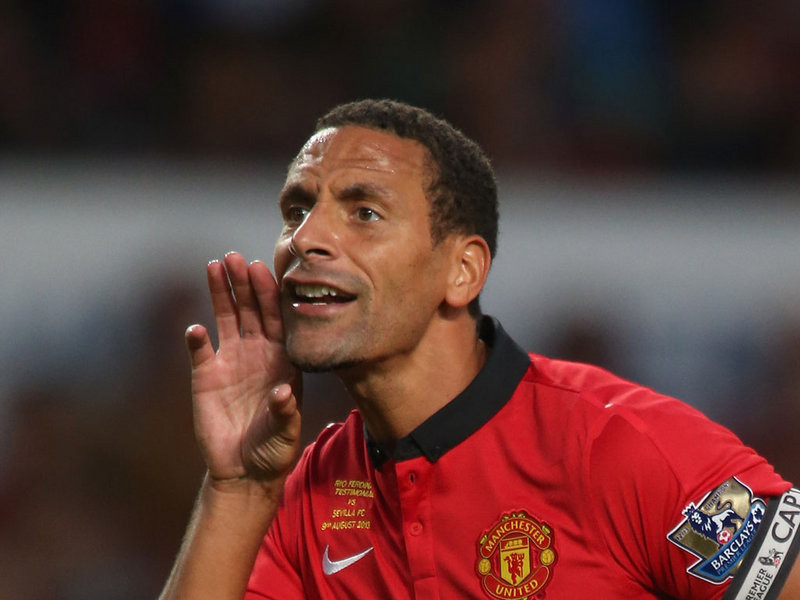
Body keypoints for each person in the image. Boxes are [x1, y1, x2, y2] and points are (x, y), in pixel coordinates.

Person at [159, 99, 800, 600]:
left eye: (364, 213)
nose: (306, 237)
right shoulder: (310, 494)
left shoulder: (620, 446)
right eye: (297, 210)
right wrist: (236, 488)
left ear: (462, 271)